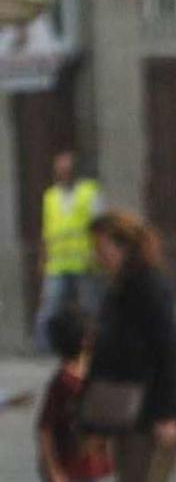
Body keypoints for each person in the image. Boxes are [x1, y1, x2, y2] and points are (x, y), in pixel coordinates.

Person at [87, 212, 176, 482]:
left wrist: (170, 414)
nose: (97, 257)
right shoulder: (118, 288)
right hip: (129, 411)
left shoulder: (148, 286)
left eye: (101, 249)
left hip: (152, 412)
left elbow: (169, 349)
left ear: (122, 247)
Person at [35, 150, 105, 352]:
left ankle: (95, 345)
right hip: (58, 263)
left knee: (90, 307)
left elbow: (100, 226)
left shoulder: (89, 192)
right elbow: (47, 231)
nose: (64, 173)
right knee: (51, 307)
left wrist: (99, 254)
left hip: (85, 261)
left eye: (67, 169)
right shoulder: (51, 196)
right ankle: (45, 347)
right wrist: (43, 258)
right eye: (60, 170)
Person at [37, 305, 113, 482]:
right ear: (85, 341)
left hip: (94, 469)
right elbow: (45, 430)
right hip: (70, 472)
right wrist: (54, 470)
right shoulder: (63, 384)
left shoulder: (92, 375)